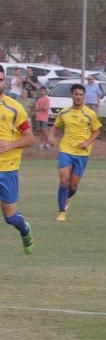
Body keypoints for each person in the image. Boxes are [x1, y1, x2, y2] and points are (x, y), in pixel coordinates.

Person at [49, 83, 102, 222]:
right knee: (64, 180)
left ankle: (66, 198)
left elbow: (97, 131)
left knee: (73, 186)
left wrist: (88, 142)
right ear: (71, 95)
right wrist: (51, 136)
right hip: (66, 150)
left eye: (81, 94)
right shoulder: (64, 113)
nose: (78, 97)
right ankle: (61, 212)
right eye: (76, 94)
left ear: (84, 96)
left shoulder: (90, 114)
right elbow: (55, 127)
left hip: (82, 153)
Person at [0, 67, 37, 254]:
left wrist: (10, 145)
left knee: (10, 217)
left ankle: (24, 229)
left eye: (0, 79)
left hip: (7, 169)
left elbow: (30, 139)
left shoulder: (14, 108)